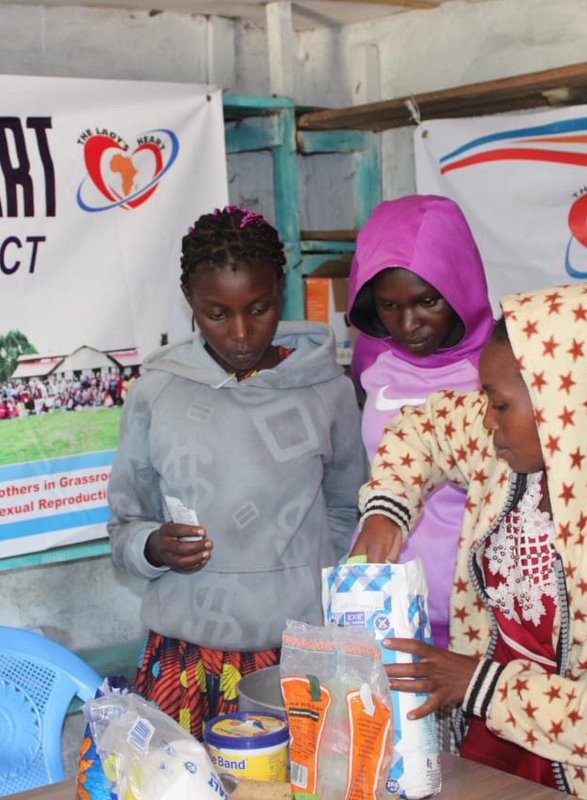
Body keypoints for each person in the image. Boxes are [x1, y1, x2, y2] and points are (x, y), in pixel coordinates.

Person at [352, 282, 587, 797]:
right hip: (490, 740)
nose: (486, 421)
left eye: (498, 405)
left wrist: (480, 685)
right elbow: (422, 427)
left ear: (566, 405)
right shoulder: (506, 456)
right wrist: (387, 508)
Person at [108, 205, 366, 738]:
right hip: (183, 655)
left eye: (260, 308)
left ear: (282, 293)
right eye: (217, 314)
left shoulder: (326, 390)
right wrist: (154, 547)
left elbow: (347, 508)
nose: (242, 332)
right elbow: (124, 524)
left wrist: (299, 578)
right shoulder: (156, 391)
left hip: (296, 655)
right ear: (191, 307)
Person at [346, 194, 493, 651]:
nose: (408, 324)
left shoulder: (503, 364)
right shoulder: (374, 357)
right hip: (386, 602)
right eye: (388, 306)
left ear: (461, 282)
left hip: (478, 610)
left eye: (427, 301)